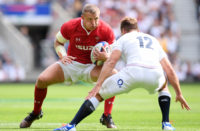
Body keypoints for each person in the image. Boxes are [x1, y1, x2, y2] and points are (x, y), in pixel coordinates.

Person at [53, 17, 190, 131]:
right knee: (163, 85)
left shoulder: (123, 38)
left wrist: (98, 85)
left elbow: (112, 61)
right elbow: (169, 69)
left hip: (132, 72)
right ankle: (166, 123)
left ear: (123, 30)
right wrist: (179, 93)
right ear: (138, 29)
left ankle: (72, 125)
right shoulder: (153, 39)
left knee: (99, 95)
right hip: (154, 73)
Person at [19, 4, 117, 129]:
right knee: (41, 80)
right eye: (90, 19)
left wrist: (106, 57)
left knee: (113, 75)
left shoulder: (106, 29)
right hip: (71, 64)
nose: (94, 23)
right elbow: (58, 42)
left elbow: (114, 53)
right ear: (82, 17)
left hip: (91, 68)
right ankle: (36, 112)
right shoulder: (70, 26)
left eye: (96, 19)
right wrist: (63, 55)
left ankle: (107, 115)